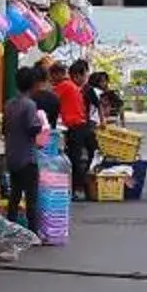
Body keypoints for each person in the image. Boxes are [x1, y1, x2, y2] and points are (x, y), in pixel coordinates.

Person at [4, 65, 53, 222]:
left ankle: (11, 227)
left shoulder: (9, 104)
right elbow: (32, 128)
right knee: (32, 199)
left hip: (12, 156)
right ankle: (33, 231)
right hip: (27, 158)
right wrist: (42, 123)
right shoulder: (29, 105)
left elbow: (5, 128)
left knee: (15, 196)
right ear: (33, 84)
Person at [54, 58, 98, 197]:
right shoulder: (70, 86)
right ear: (77, 75)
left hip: (78, 126)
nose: (86, 79)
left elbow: (52, 99)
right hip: (79, 126)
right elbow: (53, 99)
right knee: (80, 157)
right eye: (85, 75)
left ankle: (79, 186)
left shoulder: (69, 86)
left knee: (78, 157)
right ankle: (80, 186)